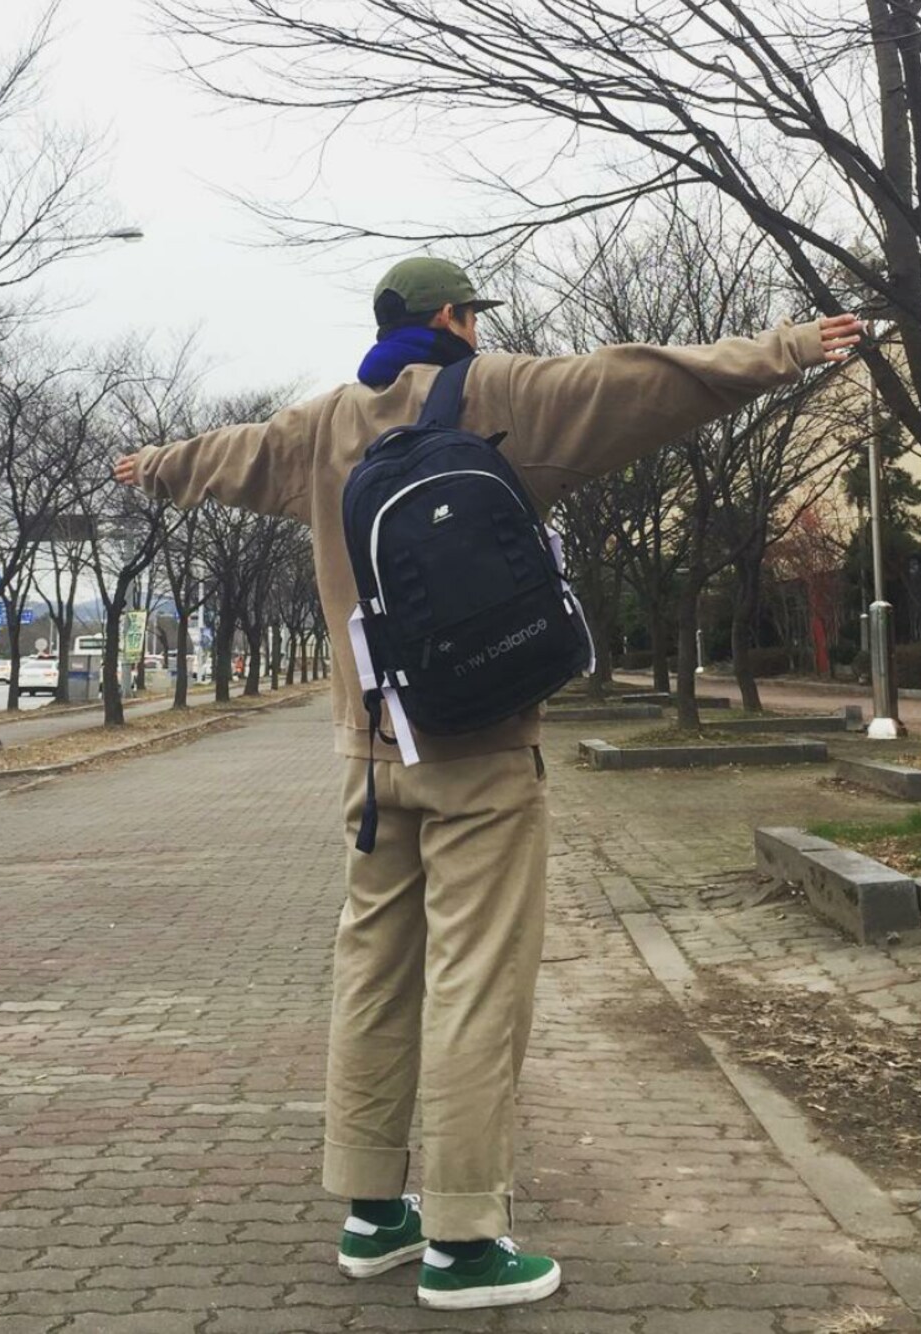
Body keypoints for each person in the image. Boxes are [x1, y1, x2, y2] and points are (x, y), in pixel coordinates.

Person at [114, 257, 861, 1310]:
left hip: (371, 757)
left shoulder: (318, 426)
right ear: (453, 318)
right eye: (472, 314)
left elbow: (221, 457)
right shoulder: (501, 393)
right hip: (483, 749)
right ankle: (463, 1241)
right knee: (476, 980)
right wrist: (785, 351)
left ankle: (373, 1212)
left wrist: (153, 466)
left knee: (375, 972)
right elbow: (640, 381)